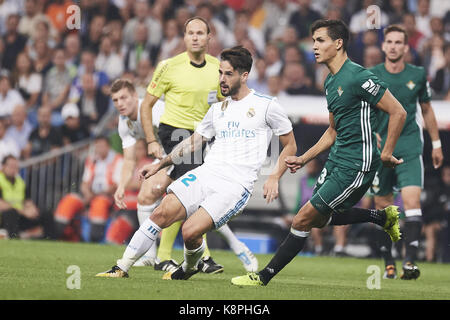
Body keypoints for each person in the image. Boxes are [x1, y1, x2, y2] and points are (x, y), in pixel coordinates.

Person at [96, 45, 297, 280]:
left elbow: (290, 145)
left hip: (235, 185)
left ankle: (189, 267)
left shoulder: (267, 105)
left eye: (228, 74)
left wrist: (274, 176)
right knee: (162, 212)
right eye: (220, 72)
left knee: (190, 231)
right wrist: (160, 164)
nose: (222, 78)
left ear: (244, 76)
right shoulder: (217, 109)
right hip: (207, 173)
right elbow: (192, 143)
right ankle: (121, 267)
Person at [231, 19, 406, 287]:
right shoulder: (330, 81)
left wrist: (387, 152)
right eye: (313, 41)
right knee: (320, 220)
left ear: (338, 44)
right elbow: (332, 132)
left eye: (320, 40)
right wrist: (303, 158)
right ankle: (382, 217)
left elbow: (398, 111)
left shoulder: (359, 76)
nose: (314, 46)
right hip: (337, 158)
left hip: (358, 164)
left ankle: (263, 276)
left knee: (303, 218)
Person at [122, 16, 257, 274]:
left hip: (205, 135)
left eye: (200, 33)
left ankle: (166, 255)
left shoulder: (219, 68)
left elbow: (224, 104)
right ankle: (199, 256)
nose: (194, 37)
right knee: (190, 192)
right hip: (175, 133)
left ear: (209, 37)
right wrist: (151, 140)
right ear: (184, 38)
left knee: (184, 193)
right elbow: (146, 104)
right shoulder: (168, 66)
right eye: (190, 33)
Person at [369, 24, 444, 280]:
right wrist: (370, 134)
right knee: (383, 207)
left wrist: (436, 144)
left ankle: (409, 262)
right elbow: (362, 110)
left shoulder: (418, 74)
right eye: (389, 41)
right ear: (383, 46)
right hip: (380, 149)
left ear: (405, 46)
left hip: (410, 145)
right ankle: (388, 261)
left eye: (398, 42)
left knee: (412, 202)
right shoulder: (371, 75)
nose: (393, 46)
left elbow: (426, 109)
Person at [53, 136, 123, 242]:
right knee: (69, 200)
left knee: (100, 203)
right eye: (97, 146)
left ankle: (94, 239)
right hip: (90, 194)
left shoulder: (118, 160)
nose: (99, 149)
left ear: (108, 147)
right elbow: (84, 183)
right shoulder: (92, 159)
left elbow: (116, 185)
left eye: (101, 146)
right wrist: (87, 194)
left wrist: (94, 195)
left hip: (107, 196)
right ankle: (58, 235)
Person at [0, 155, 42, 239]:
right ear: (3, 166)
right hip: (4, 216)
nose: (13, 169)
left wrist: (32, 210)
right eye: (11, 166)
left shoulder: (20, 182)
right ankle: (14, 238)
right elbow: (1, 204)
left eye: (16, 167)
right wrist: (23, 212)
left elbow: (27, 201)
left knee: (45, 215)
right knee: (11, 213)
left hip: (20, 215)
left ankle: (49, 240)